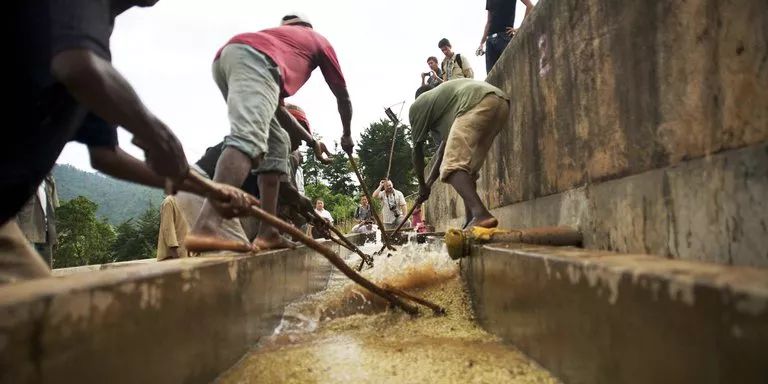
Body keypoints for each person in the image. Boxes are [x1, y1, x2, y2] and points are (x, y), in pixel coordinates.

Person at [3, 0, 204, 284]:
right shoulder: (81, 48)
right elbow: (79, 66)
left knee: (48, 307)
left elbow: (107, 156)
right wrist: (157, 134)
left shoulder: (92, 52)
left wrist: (200, 188)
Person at [191, 13, 353, 252]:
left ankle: (268, 232)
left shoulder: (275, 43)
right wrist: (347, 134)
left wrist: (312, 142)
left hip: (228, 60)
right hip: (253, 61)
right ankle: (206, 227)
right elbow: (342, 96)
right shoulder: (317, 40)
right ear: (306, 27)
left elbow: (280, 113)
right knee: (249, 139)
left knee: (277, 142)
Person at [410, 79, 510, 229]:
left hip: (476, 102)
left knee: (452, 168)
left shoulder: (418, 105)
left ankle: (481, 215)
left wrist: (421, 186)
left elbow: (417, 152)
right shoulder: (446, 104)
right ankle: (471, 221)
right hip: (501, 102)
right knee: (466, 172)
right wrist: (428, 185)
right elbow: (442, 153)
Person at [477, 0, 534, 73]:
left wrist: (520, 28)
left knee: (509, 70)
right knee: (491, 76)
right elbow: (489, 21)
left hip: (504, 36)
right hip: (490, 40)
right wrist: (482, 43)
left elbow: (530, 6)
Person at [16, 174, 59, 266]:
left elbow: (53, 207)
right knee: (28, 269)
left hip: (46, 233)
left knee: (45, 268)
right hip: (26, 235)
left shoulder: (49, 179)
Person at [156, 195, 190, 261]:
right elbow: (168, 229)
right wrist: (176, 257)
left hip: (185, 254)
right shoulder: (169, 202)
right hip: (172, 257)